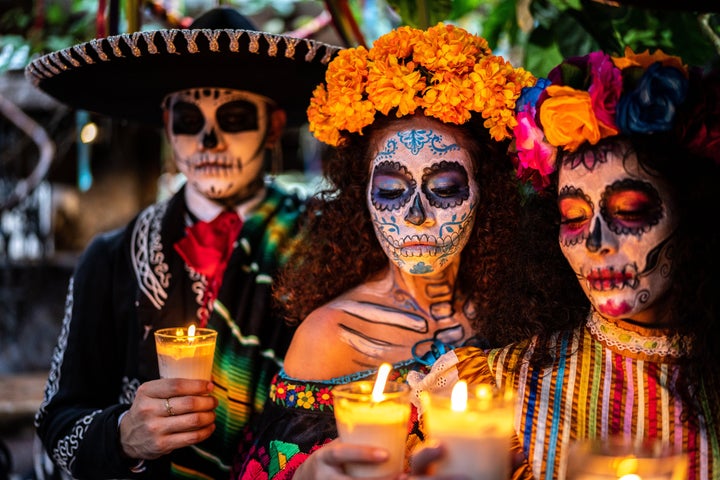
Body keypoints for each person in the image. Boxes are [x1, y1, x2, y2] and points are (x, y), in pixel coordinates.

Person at [233, 23, 588, 479]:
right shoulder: (328, 338)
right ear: (362, 197)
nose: (416, 214)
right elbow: (266, 469)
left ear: (488, 194)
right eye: (391, 190)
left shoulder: (526, 306)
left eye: (443, 188)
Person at [24, 8, 340, 479]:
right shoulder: (111, 258)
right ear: (168, 127)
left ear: (273, 126)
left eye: (233, 117)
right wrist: (124, 434)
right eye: (189, 119)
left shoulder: (327, 246)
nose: (208, 141)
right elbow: (58, 423)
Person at [409, 48, 720, 479]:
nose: (595, 242)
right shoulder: (490, 390)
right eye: (573, 217)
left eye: (628, 211)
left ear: (696, 214)